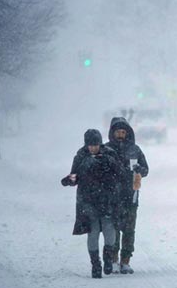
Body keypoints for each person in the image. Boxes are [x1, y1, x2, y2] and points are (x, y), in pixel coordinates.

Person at [61, 129, 122, 279]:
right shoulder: (81, 156)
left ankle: (108, 257)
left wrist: (108, 162)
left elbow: (120, 173)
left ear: (100, 143)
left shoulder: (110, 154)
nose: (93, 148)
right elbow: (74, 176)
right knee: (93, 232)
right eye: (90, 145)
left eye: (96, 145)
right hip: (88, 201)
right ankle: (95, 264)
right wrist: (69, 180)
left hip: (108, 199)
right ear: (86, 144)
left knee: (110, 231)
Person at [106, 117, 149, 274]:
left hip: (131, 197)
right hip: (111, 198)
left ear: (127, 133)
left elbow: (146, 170)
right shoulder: (106, 150)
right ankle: (113, 259)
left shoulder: (135, 150)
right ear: (112, 132)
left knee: (129, 230)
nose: (120, 134)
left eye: (123, 132)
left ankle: (126, 261)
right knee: (113, 230)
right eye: (118, 131)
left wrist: (139, 169)